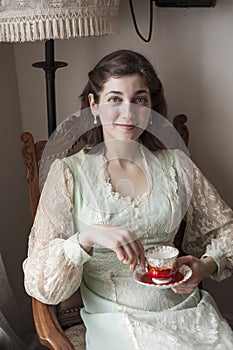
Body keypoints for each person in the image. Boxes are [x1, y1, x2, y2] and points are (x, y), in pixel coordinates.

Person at [23, 50, 233, 349]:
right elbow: (40, 280)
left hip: (187, 311)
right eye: (115, 99)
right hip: (116, 318)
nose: (129, 112)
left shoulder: (177, 165)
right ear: (94, 105)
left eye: (140, 99)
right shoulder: (68, 172)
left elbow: (227, 231)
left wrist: (207, 265)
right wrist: (87, 237)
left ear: (151, 108)